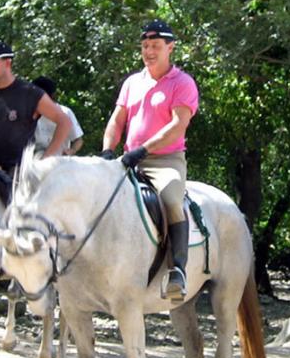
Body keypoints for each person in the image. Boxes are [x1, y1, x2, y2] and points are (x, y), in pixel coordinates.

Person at [100, 19, 199, 301]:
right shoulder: (133, 82)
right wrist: (108, 150)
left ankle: (178, 270)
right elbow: (116, 121)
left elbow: (177, 127)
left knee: (170, 199)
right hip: (129, 159)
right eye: (145, 46)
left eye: (155, 45)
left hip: (165, 161)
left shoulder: (182, 83)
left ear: (171, 47)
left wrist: (142, 150)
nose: (149, 51)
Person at [0, 41, 72, 176]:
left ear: (7, 63)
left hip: (19, 175)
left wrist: (45, 160)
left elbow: (65, 122)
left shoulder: (31, 93)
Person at [31, 76, 84, 156]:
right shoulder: (28, 113)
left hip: (60, 161)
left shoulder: (65, 113)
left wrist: (71, 151)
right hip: (35, 159)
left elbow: (78, 140)